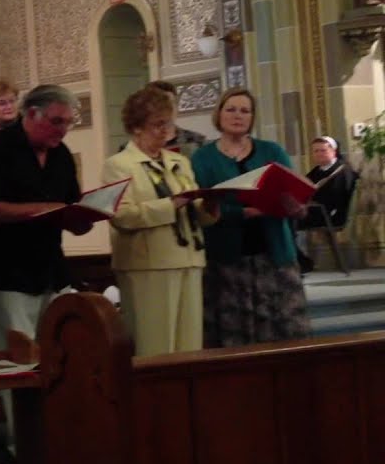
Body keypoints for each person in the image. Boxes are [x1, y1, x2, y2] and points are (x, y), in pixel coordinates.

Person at [0, 84, 88, 452]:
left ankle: (59, 437)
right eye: (56, 121)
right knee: (16, 364)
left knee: (62, 356)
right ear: (30, 114)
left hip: (51, 269)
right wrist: (41, 210)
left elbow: (69, 206)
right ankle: (22, 446)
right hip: (6, 273)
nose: (62, 130)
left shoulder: (62, 154)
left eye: (68, 123)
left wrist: (84, 216)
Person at [101, 87, 219, 356]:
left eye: (169, 123)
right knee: (155, 348)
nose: (166, 131)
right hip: (147, 266)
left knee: (189, 348)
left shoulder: (179, 161)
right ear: (136, 127)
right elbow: (121, 216)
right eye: (158, 125)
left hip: (189, 258)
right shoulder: (119, 165)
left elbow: (194, 210)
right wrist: (171, 204)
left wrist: (208, 206)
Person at [191, 88, 311, 347]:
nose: (238, 115)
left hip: (274, 255)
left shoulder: (272, 151)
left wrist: (296, 206)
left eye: (245, 110)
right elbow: (200, 206)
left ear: (253, 117)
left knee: (286, 333)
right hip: (227, 260)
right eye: (231, 109)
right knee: (235, 337)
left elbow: (293, 195)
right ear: (219, 114)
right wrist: (243, 212)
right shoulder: (202, 158)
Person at [302, 135, 358, 229]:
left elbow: (340, 197)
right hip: (317, 212)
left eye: (323, 150)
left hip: (332, 215)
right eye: (316, 151)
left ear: (334, 151)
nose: (319, 154)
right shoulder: (315, 172)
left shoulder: (344, 171)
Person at [145, 80, 207, 157]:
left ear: (177, 107)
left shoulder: (197, 142)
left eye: (170, 103)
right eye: (160, 103)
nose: (166, 108)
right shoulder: (133, 149)